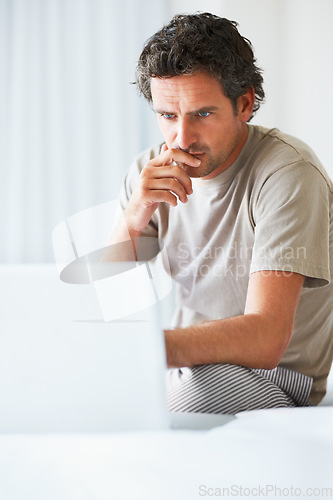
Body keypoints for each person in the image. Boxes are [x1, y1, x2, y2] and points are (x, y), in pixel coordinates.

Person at [115, 12, 333, 414]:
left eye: (202, 113)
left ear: (245, 103)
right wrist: (133, 217)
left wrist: (144, 351)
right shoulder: (150, 171)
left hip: (276, 374)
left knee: (183, 399)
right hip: (184, 363)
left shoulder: (287, 175)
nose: (182, 137)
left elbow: (267, 338)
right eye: (167, 115)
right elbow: (109, 300)